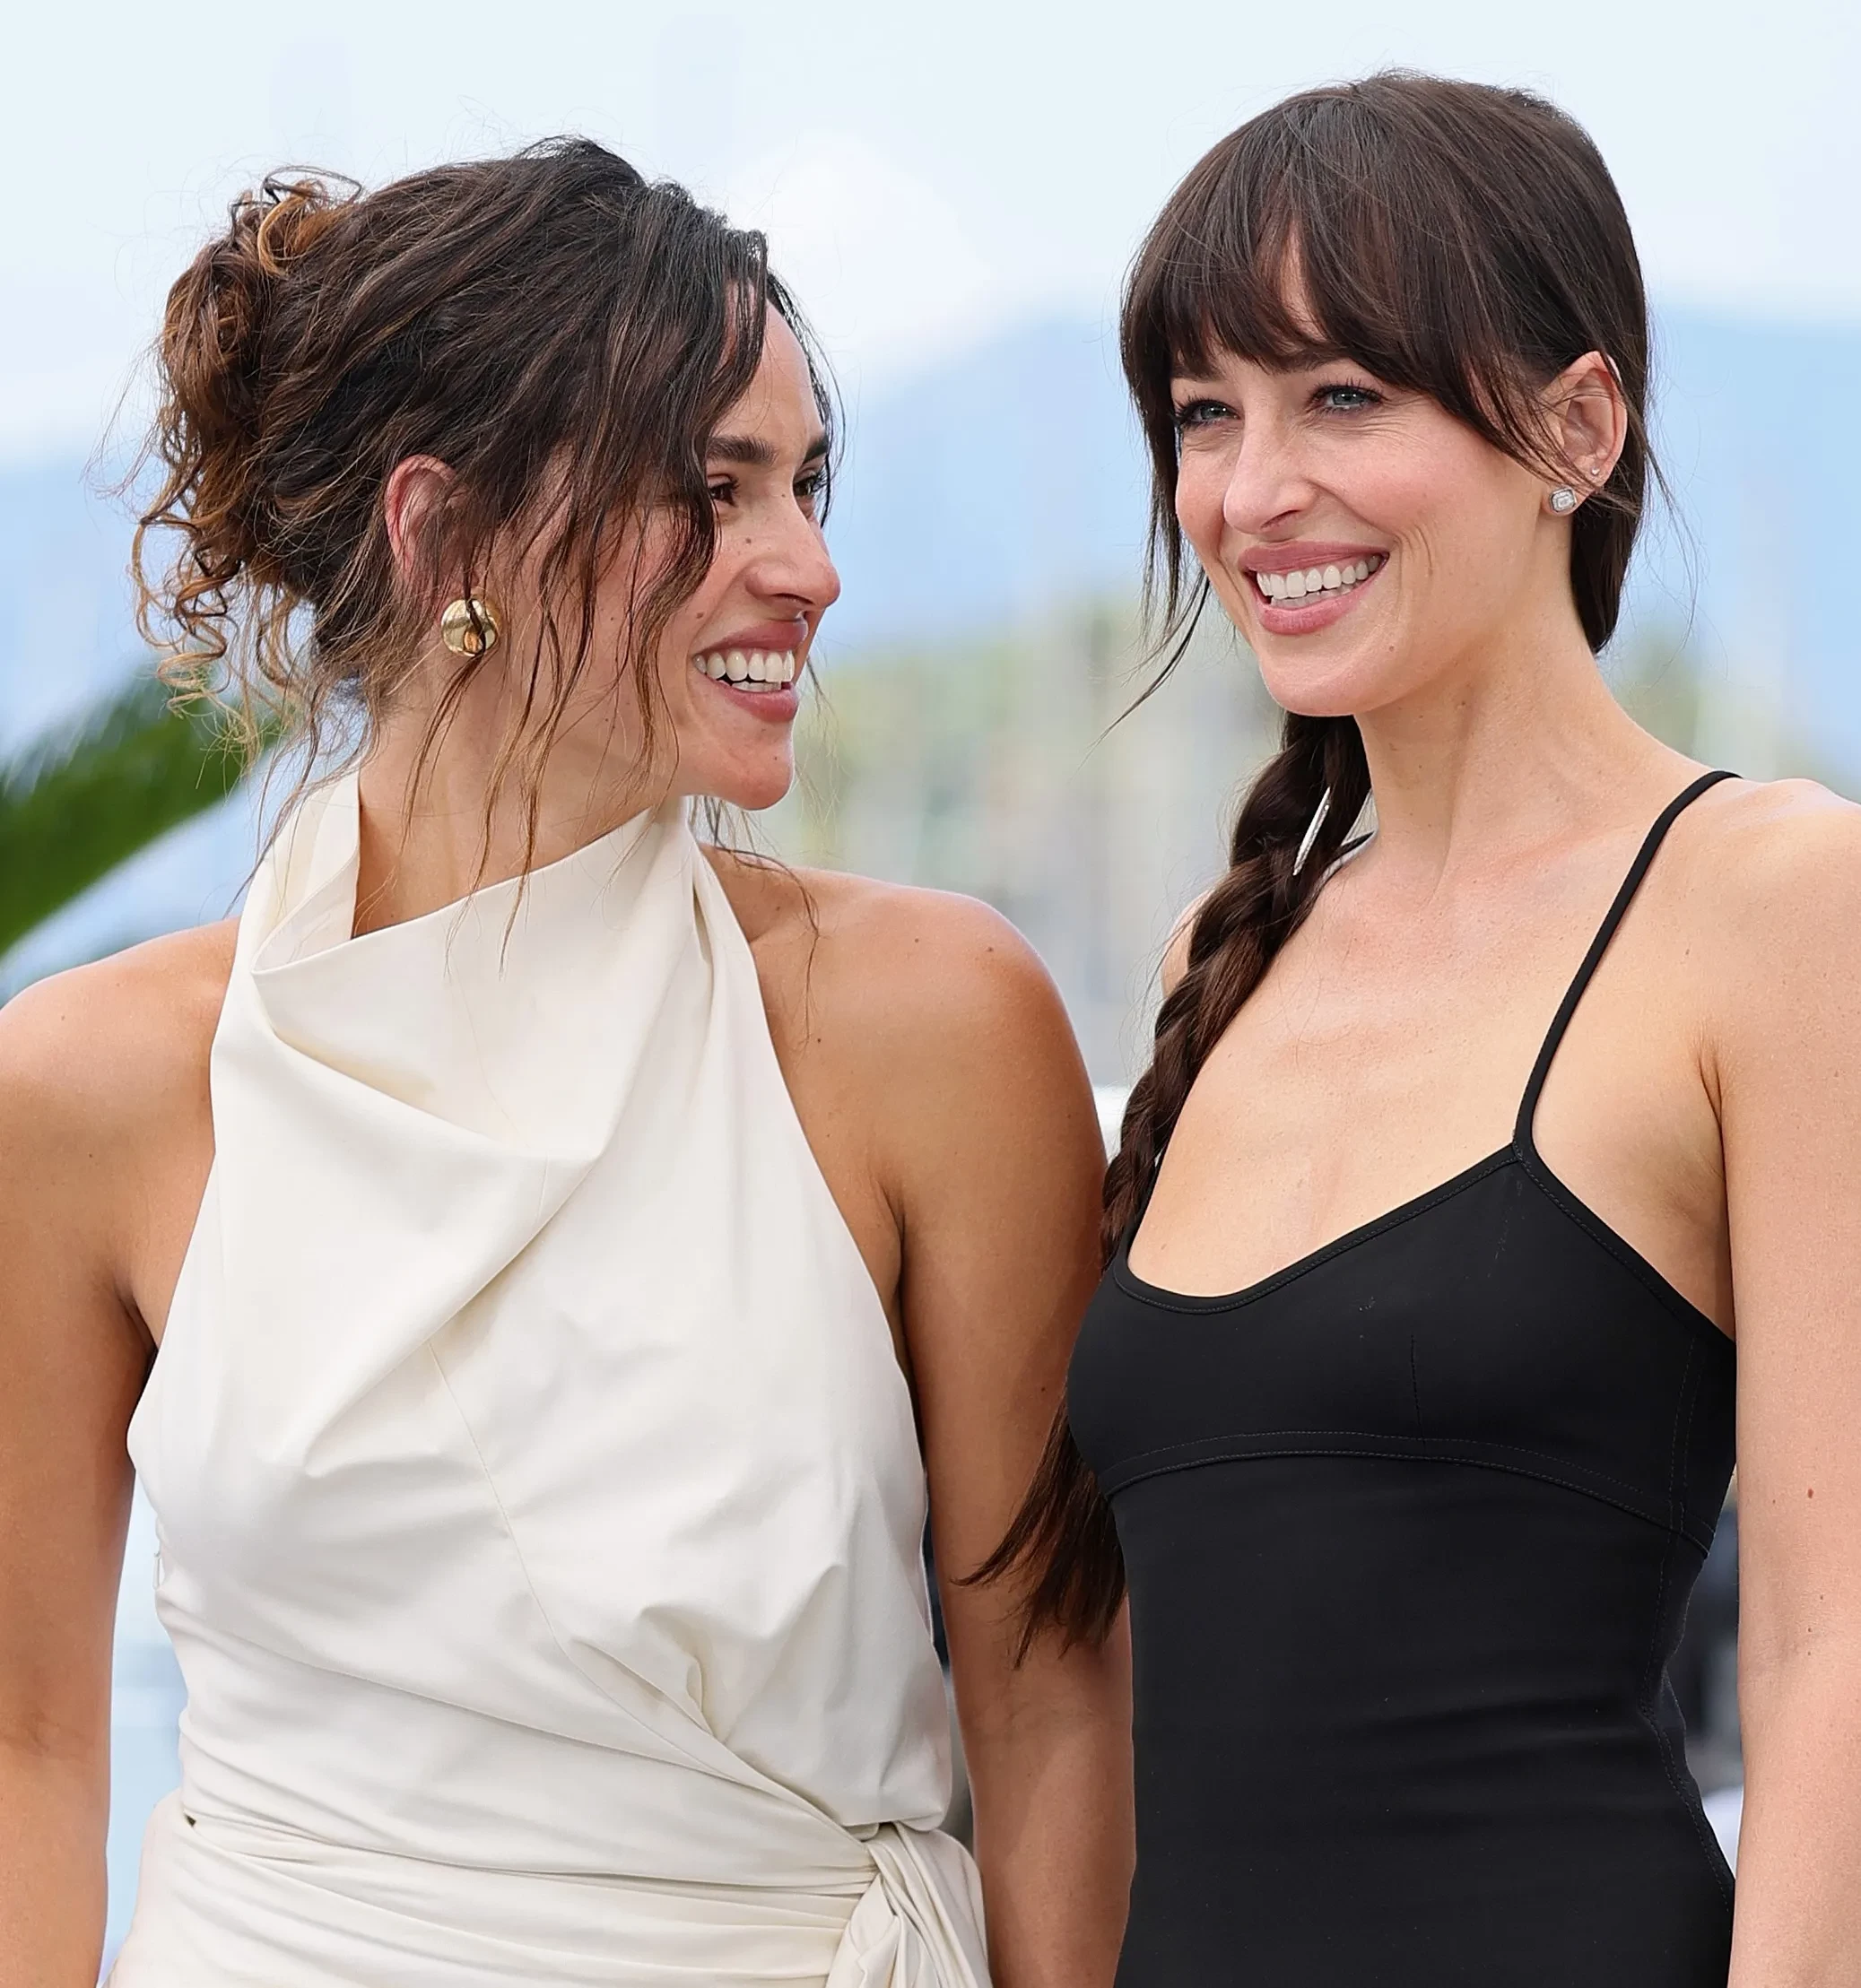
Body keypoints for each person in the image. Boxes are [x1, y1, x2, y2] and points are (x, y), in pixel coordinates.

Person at [0, 141, 1131, 1987]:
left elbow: (1055, 1704)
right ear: (442, 537)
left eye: (805, 484)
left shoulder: (935, 1026)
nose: (812, 568)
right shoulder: (86, 1086)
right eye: (713, 489)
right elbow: (30, 1741)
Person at [988, 74, 1861, 1985]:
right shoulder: (1222, 961)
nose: (1248, 492)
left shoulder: (1776, 905)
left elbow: (1831, 1652)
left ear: (1575, 427)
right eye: (1203, 413)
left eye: (1340, 397)